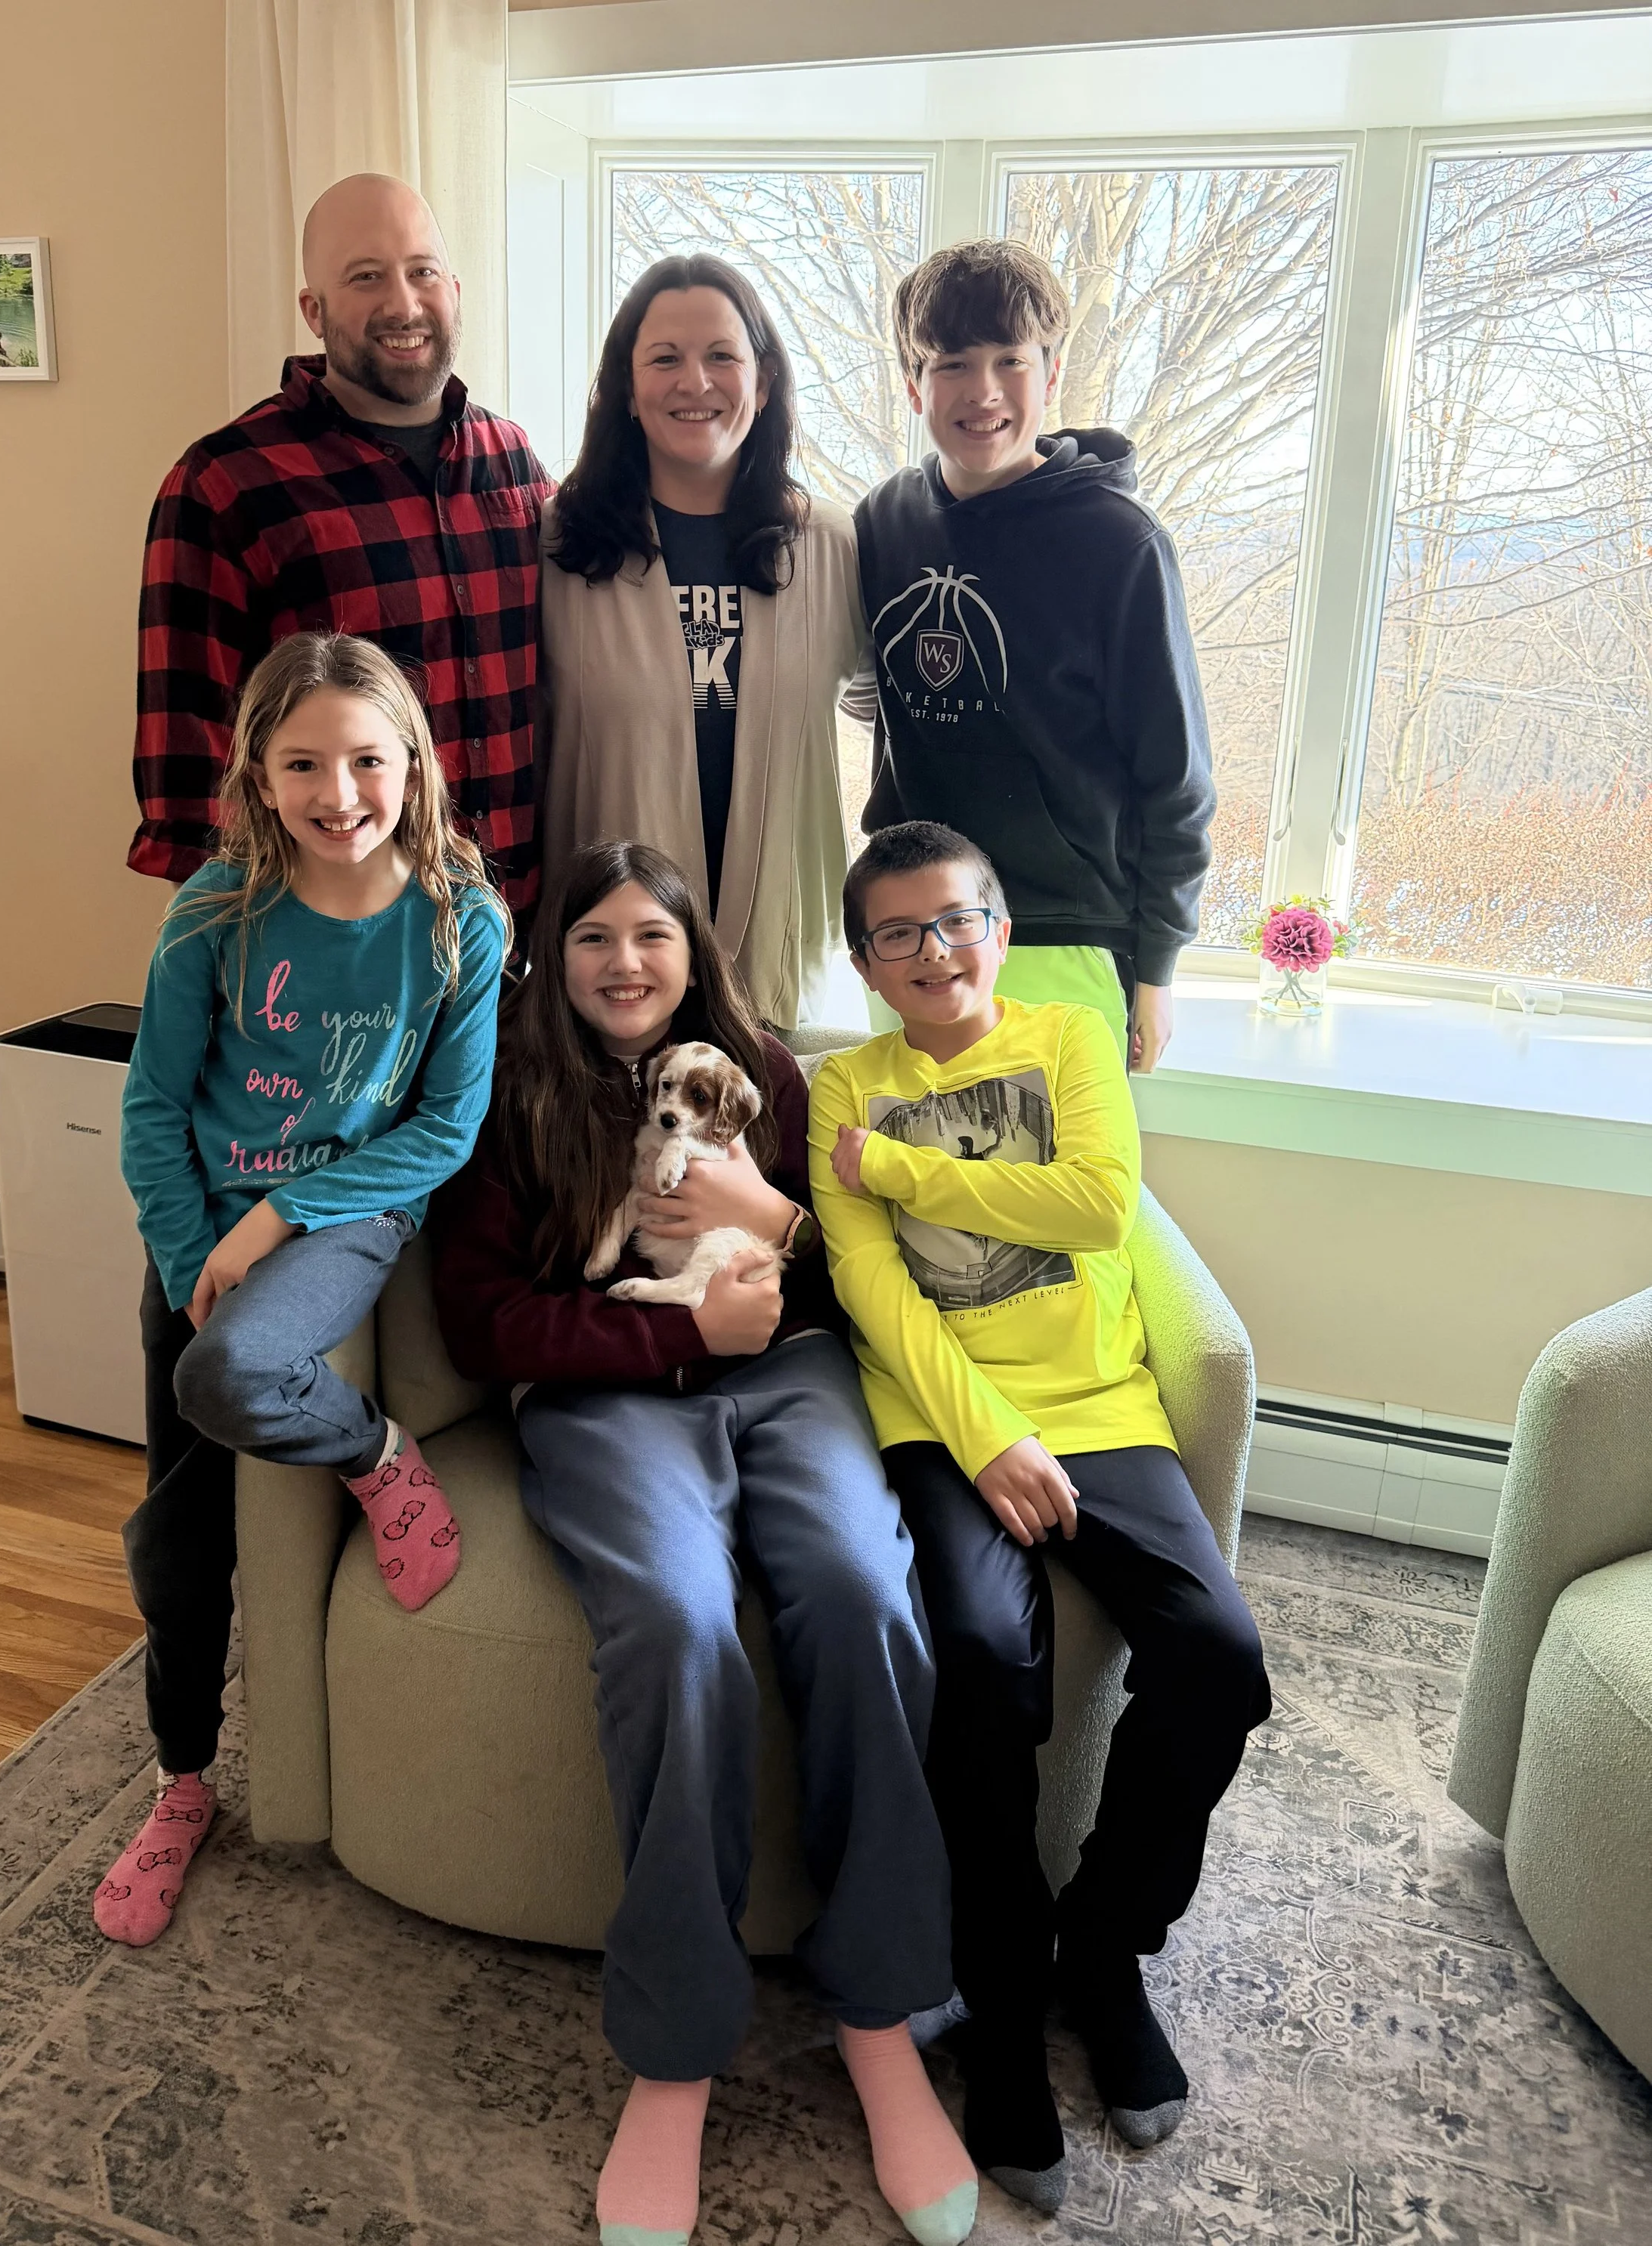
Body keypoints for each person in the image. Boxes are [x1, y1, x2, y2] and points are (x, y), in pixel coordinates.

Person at [432, 840, 976, 2246]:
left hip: (788, 1378)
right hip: (604, 1397)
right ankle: (676, 2051)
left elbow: (855, 1276)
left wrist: (768, 1223)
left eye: (653, 937)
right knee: (678, 1629)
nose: (625, 963)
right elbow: (481, 1323)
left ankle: (880, 2013)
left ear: (694, 953)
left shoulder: (771, 1076)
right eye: (594, 937)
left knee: (864, 1596)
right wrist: (671, 1334)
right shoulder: (506, 1091)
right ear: (554, 955)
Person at [809, 818, 1270, 2217]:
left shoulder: (1070, 1041)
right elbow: (875, 1294)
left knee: (1220, 1657)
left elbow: (1096, 1206)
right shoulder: (844, 1086)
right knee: (982, 1665)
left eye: (958, 919)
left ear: (999, 929)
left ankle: (1105, 1952)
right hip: (945, 1424)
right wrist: (986, 1437)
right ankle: (1001, 2002)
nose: (935, 951)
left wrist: (902, 1171)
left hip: (1105, 1409)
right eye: (899, 933)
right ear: (867, 964)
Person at [102, 630, 507, 1949]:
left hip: (346, 1213)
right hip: (201, 1233)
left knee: (231, 1371)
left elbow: (443, 1129)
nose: (341, 793)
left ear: (414, 763)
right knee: (173, 1546)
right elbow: (153, 1110)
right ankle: (181, 1782)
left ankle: (378, 1456)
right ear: (258, 774)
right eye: (305, 764)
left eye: (368, 760)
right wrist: (194, 1262)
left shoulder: (460, 919)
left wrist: (278, 1216)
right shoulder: (215, 911)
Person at [131, 173, 552, 921]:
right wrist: (233, 952)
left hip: (523, 927)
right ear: (314, 311)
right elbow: (191, 770)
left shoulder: (512, 460)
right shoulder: (225, 484)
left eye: (422, 271)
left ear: (455, 290)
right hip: (339, 940)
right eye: (366, 277)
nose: (404, 303)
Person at [851, 239, 1215, 1072]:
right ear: (913, 384)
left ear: (1051, 376)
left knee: (1067, 1163)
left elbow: (1177, 776)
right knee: (904, 1156)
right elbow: (864, 682)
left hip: (1064, 932)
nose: (982, 391)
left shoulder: (1119, 544)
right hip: (908, 930)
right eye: (951, 363)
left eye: (1009, 360)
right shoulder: (884, 521)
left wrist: (1157, 968)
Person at [540, 255, 868, 1028]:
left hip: (781, 962)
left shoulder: (830, 545)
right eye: (664, 359)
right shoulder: (558, 547)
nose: (695, 382)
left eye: (722, 355)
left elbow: (883, 703)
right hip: (612, 971)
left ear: (764, 380)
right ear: (626, 388)